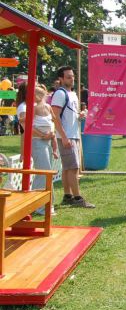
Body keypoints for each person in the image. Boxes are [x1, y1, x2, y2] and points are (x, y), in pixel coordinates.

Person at [51, 66, 94, 208]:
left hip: (72, 134)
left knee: (68, 168)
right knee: (73, 167)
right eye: (68, 76)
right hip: (67, 135)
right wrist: (63, 137)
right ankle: (77, 198)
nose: (72, 78)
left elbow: (68, 115)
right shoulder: (60, 93)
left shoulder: (72, 94)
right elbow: (55, 116)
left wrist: (79, 115)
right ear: (61, 79)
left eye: (72, 76)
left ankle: (68, 195)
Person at [30, 85, 59, 215]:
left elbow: (53, 121)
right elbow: (29, 126)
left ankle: (46, 204)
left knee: (46, 174)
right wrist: (42, 135)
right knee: (44, 173)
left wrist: (51, 133)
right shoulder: (33, 108)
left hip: (48, 141)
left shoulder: (47, 107)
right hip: (38, 141)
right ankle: (41, 206)